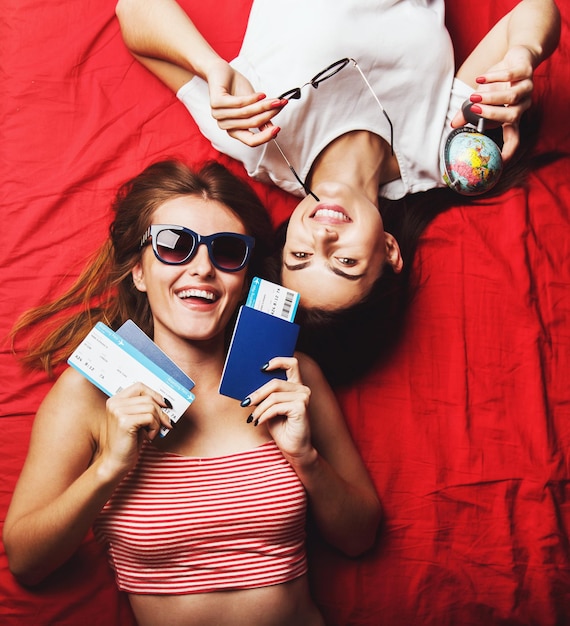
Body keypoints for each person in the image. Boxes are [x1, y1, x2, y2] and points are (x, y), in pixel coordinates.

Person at [3, 159, 381, 626]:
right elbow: (26, 561)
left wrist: (305, 458)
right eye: (174, 247)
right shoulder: (88, 392)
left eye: (226, 252)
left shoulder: (291, 374)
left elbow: (360, 537)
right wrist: (109, 468)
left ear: (243, 279)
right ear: (139, 272)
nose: (202, 268)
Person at [114, 0, 561, 385]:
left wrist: (210, 68)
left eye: (300, 257)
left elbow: (133, 10)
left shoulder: (252, 136)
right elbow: (535, 11)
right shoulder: (445, 157)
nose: (322, 240)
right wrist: (522, 58)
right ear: (389, 250)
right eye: (345, 262)